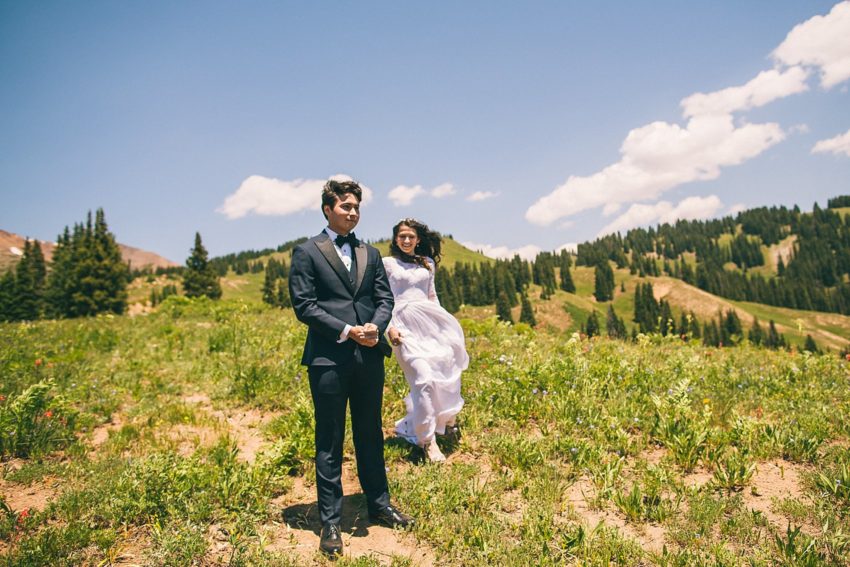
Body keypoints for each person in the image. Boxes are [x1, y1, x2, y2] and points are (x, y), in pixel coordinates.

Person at [289, 179, 414, 558]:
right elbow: (304, 305)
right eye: (346, 207)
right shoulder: (307, 252)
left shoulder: (369, 253)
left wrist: (375, 326)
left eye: (356, 207)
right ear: (328, 209)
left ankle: (379, 503)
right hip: (328, 358)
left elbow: (384, 297)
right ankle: (330, 521)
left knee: (369, 433)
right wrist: (347, 330)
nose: (353, 212)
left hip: (369, 357)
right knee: (329, 439)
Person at [383, 218, 468, 463]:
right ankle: (427, 440)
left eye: (411, 236)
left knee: (443, 372)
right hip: (403, 326)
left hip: (430, 324)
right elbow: (382, 298)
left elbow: (432, 297)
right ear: (395, 239)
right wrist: (390, 328)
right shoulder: (387, 264)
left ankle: (446, 421)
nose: (406, 240)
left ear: (418, 239)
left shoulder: (427, 263)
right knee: (422, 378)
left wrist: (444, 327)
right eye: (402, 236)